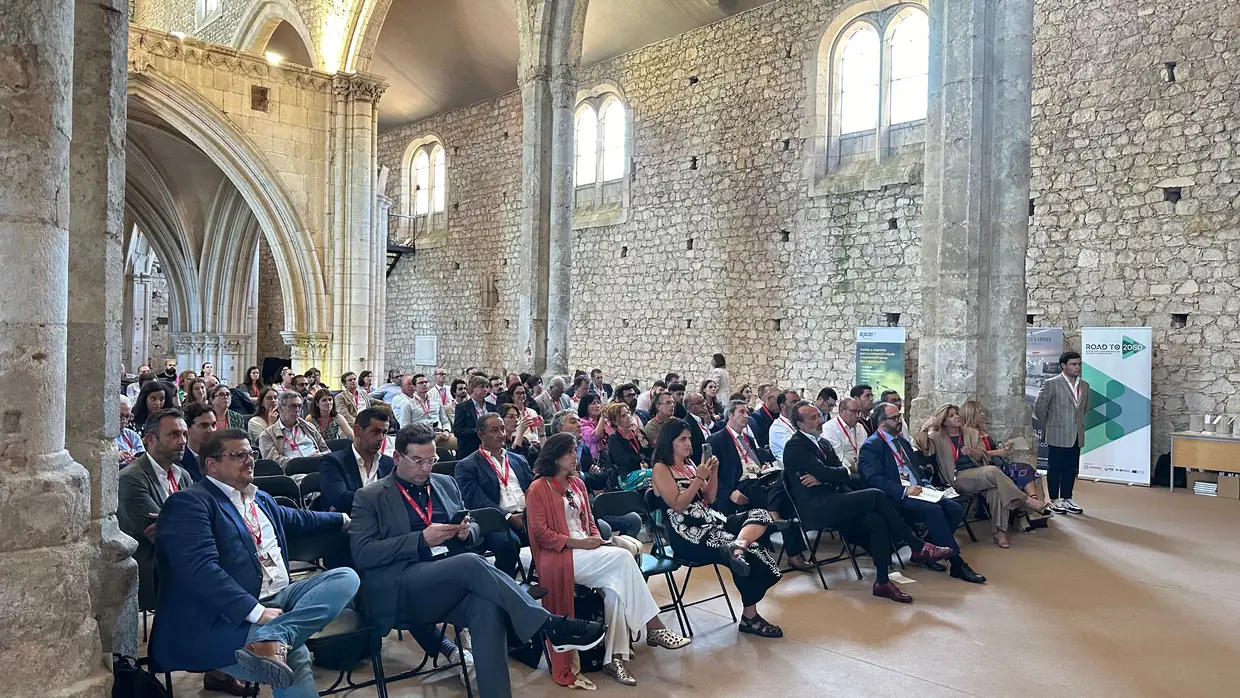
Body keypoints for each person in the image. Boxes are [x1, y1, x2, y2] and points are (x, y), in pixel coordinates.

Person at [349, 423, 605, 698]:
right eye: (418, 461)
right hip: (402, 586)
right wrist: (420, 540)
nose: (426, 468)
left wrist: (465, 532)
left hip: (451, 580)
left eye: (431, 460)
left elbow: (475, 530)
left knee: (487, 608)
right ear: (398, 458)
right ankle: (548, 624)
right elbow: (363, 553)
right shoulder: (370, 496)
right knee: (471, 563)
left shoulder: (445, 484)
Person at [149, 429, 358, 696]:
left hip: (281, 598)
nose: (249, 461)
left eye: (251, 454)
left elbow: (301, 519)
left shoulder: (259, 497)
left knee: (345, 578)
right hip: (227, 615)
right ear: (211, 464)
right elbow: (200, 571)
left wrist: (344, 518)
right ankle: (274, 640)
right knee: (294, 656)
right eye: (238, 455)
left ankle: (275, 636)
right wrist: (256, 612)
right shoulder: (190, 503)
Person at [527, 433, 690, 688]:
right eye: (569, 452)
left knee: (615, 590)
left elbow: (589, 522)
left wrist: (595, 539)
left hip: (587, 551)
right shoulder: (538, 488)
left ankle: (613, 658)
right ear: (554, 456)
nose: (575, 457)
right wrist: (580, 543)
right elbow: (540, 533)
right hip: (560, 555)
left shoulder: (578, 484)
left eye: (575, 451)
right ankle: (654, 625)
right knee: (624, 558)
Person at [782, 401, 953, 603]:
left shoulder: (824, 443)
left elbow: (843, 472)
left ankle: (882, 582)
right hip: (817, 508)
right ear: (800, 425)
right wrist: (829, 474)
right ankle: (916, 544)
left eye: (819, 416)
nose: (820, 420)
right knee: (875, 495)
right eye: (813, 418)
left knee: (875, 519)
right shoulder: (795, 446)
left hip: (835, 499)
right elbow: (827, 472)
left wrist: (829, 475)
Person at [651, 419, 783, 637]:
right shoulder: (661, 468)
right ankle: (750, 617)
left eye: (689, 438)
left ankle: (739, 545)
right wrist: (699, 477)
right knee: (749, 552)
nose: (688, 443)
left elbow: (710, 497)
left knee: (760, 514)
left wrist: (713, 473)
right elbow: (678, 503)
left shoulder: (691, 465)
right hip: (687, 534)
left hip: (711, 522)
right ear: (669, 442)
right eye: (682, 439)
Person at [858, 402, 986, 584]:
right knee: (933, 510)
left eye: (899, 416)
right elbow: (874, 479)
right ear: (881, 422)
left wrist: (926, 485)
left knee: (955, 508)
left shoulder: (901, 442)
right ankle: (956, 563)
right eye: (894, 418)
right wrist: (904, 490)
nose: (899, 421)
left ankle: (925, 552)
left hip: (919, 490)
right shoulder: (872, 446)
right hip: (895, 497)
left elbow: (914, 470)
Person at [913, 404, 1050, 548]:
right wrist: (925, 427)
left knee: (998, 491)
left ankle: (999, 533)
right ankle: (1025, 500)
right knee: (993, 471)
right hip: (957, 478)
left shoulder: (971, 433)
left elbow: (983, 454)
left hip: (978, 474)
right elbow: (924, 447)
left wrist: (972, 452)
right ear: (943, 421)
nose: (957, 417)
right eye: (951, 416)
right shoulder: (937, 436)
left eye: (956, 413)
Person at [707, 400, 811, 570]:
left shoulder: (747, 438)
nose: (746, 416)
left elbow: (755, 459)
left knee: (785, 479)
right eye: (741, 412)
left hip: (759, 480)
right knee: (785, 501)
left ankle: (774, 512)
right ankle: (794, 554)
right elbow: (712, 474)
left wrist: (763, 465)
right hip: (740, 485)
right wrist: (729, 492)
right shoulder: (716, 439)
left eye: (747, 412)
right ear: (730, 415)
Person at [118, 409, 193, 613]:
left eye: (185, 434)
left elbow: (201, 519)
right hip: (152, 565)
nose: (183, 441)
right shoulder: (131, 478)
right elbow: (162, 537)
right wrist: (191, 524)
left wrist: (173, 523)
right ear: (150, 439)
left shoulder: (183, 475)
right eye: (174, 434)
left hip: (185, 556)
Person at [455, 413, 535, 578]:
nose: (501, 434)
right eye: (494, 430)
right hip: (495, 520)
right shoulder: (467, 466)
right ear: (481, 435)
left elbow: (533, 489)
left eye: (503, 429)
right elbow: (476, 501)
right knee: (508, 543)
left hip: (528, 515)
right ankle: (504, 586)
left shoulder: (518, 459)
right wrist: (508, 517)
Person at [1034, 350, 1088, 515]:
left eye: (1079, 364)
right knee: (1055, 468)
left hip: (1076, 434)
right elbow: (1039, 407)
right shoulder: (1051, 383)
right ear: (1063, 366)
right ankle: (1054, 499)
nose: (1077, 367)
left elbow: (1085, 408)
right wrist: (1050, 424)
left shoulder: (1084, 385)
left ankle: (1067, 498)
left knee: (1070, 468)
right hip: (1057, 432)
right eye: (1073, 364)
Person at [961, 399, 1044, 503]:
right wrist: (997, 452)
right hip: (985, 467)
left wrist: (1004, 449)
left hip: (997, 462)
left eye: (982, 412)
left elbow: (990, 449)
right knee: (1025, 469)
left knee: (1033, 474)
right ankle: (1033, 502)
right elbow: (977, 454)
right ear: (971, 414)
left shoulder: (982, 430)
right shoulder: (967, 434)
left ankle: (1035, 503)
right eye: (979, 412)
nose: (983, 415)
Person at [319, 408, 394, 514]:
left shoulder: (389, 463)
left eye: (384, 433)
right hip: (349, 526)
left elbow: (399, 497)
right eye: (375, 432)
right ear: (357, 431)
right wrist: (385, 497)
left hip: (384, 524)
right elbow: (341, 499)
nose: (381, 438)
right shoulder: (332, 462)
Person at [258, 391, 330, 467]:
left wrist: (320, 456)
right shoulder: (267, 435)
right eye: (293, 406)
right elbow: (274, 463)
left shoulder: (309, 427)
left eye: (299, 406)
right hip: (294, 473)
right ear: (280, 409)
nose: (297, 410)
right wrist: (306, 462)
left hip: (318, 467)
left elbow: (327, 451)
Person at [604, 402, 652, 489]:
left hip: (643, 470)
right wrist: (641, 457)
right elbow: (624, 461)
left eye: (628, 413)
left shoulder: (637, 431)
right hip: (627, 476)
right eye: (623, 416)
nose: (628, 417)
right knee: (656, 474)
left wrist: (640, 437)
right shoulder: (614, 439)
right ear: (614, 421)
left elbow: (650, 453)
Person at [822, 397, 868, 472]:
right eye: (853, 411)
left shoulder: (860, 427)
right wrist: (854, 469)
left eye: (859, 412)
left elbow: (866, 451)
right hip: (843, 471)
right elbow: (838, 458)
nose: (857, 416)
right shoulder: (830, 428)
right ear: (841, 411)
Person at [453, 375, 494, 457]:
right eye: (482, 387)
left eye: (486, 387)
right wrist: (478, 432)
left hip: (490, 448)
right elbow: (458, 431)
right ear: (473, 388)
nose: (485, 389)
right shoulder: (462, 407)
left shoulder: (492, 407)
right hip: (470, 449)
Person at [181, 401, 218, 482]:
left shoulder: (224, 457)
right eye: (203, 426)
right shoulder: (179, 461)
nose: (211, 430)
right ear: (187, 429)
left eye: (213, 425)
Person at [767, 389, 801, 461]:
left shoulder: (800, 422)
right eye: (794, 402)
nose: (799, 405)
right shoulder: (777, 428)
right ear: (783, 406)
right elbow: (797, 449)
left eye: (799, 401)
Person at [681, 393, 710, 463]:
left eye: (703, 401)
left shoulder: (708, 417)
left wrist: (709, 422)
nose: (703, 404)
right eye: (699, 403)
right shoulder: (686, 424)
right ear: (689, 407)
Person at [117, 395, 145, 467]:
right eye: (120, 416)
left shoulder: (133, 436)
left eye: (127, 416)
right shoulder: (102, 438)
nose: (124, 421)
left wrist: (138, 461)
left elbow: (143, 458)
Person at [749, 384, 779, 448]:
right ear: (771, 399)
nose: (783, 403)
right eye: (780, 400)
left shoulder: (783, 414)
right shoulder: (756, 417)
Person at [577, 392, 606, 460]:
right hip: (595, 460)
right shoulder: (582, 423)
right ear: (585, 407)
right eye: (593, 403)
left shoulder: (603, 421)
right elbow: (596, 437)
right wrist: (602, 417)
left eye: (598, 403)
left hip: (607, 456)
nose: (597, 406)